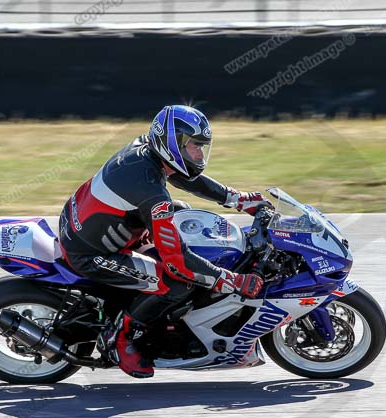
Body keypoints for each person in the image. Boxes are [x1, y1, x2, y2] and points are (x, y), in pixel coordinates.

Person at [58, 105, 271, 378]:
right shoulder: (150, 191)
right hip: (90, 252)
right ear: (172, 144)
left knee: (180, 210)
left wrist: (237, 199)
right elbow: (178, 264)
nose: (199, 153)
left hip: (95, 224)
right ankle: (124, 339)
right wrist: (231, 280)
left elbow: (184, 176)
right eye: (193, 146)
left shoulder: (147, 151)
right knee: (177, 281)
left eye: (202, 146)